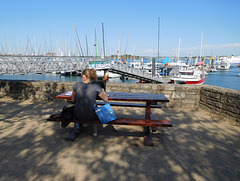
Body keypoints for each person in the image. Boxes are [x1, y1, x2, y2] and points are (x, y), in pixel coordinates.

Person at [70, 68, 108, 139]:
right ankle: (95, 132)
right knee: (94, 108)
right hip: (91, 116)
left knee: (77, 107)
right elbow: (106, 99)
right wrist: (103, 91)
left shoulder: (76, 85)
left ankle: (77, 128)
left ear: (84, 76)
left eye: (81, 75)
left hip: (78, 115)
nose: (81, 76)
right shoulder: (96, 86)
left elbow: (73, 101)